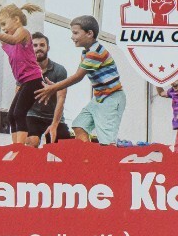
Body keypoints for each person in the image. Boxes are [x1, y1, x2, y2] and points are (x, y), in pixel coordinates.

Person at [34, 16, 126, 145]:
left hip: (111, 97)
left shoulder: (96, 53)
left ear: (89, 33)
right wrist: (57, 85)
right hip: (99, 97)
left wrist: (53, 88)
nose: (72, 37)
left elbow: (78, 76)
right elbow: (78, 74)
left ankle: (108, 155)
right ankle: (87, 154)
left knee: (107, 140)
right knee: (79, 125)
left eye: (75, 33)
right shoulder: (86, 53)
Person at [0, 3, 44, 144]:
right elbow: (6, 40)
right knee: (11, 115)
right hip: (23, 82)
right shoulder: (6, 42)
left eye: (4, 24)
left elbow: (13, 39)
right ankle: (15, 147)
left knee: (19, 113)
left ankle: (20, 149)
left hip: (34, 80)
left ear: (16, 20)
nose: (3, 28)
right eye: (0, 25)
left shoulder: (23, 32)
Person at [25, 32, 72, 146]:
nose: (38, 48)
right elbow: (18, 96)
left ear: (48, 48)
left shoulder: (59, 70)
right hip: (32, 115)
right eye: (35, 45)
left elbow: (61, 99)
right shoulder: (26, 69)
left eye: (42, 45)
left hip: (54, 117)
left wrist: (54, 125)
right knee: (32, 141)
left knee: (64, 146)